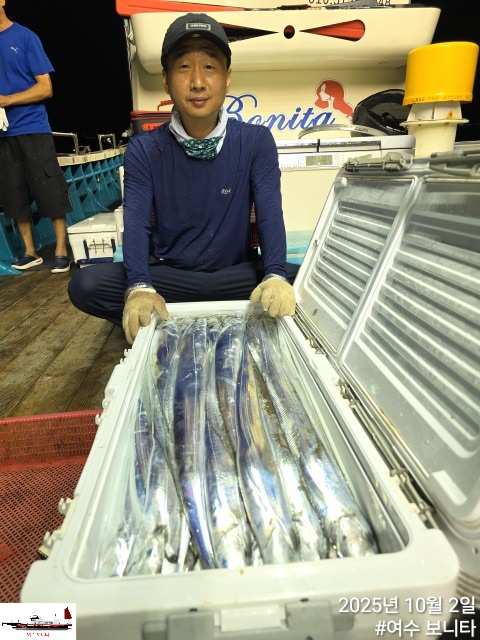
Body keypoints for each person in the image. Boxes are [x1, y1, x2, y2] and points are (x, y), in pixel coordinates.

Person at [68, 12, 299, 344]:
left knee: (312, 278)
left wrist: (275, 273)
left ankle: (176, 322)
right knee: (85, 284)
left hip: (236, 276)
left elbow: (270, 214)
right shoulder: (144, 149)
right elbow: (136, 223)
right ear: (166, 80)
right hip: (173, 278)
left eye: (210, 66)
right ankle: (177, 318)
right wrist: (139, 286)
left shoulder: (256, 141)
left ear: (227, 77)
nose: (198, 82)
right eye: (183, 67)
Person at [0, 0, 72, 273]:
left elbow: (45, 88)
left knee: (49, 186)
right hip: (3, 132)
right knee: (13, 192)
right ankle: (30, 252)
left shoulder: (25, 37)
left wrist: (7, 100)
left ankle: (61, 251)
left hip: (32, 127)